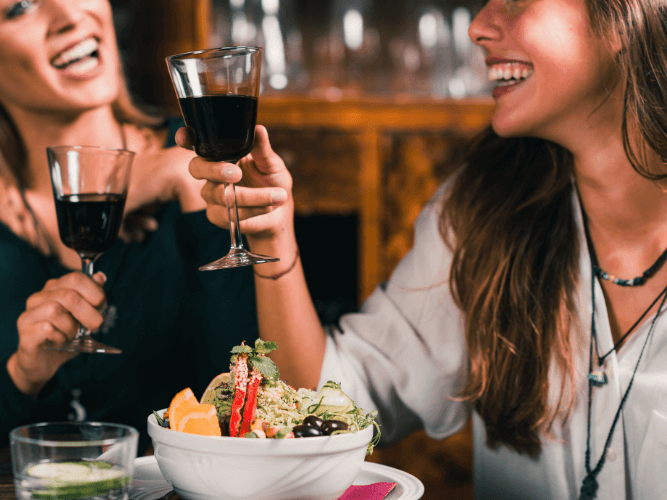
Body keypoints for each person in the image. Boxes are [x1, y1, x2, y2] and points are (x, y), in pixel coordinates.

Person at [180, 0, 667, 497]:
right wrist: (273, 248)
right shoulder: (482, 213)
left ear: (628, 16)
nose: (478, 27)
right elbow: (332, 404)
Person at [0, 0, 258, 454]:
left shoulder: (202, 165)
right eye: (19, 7)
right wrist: (22, 375)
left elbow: (248, 418)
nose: (69, 15)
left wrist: (187, 188)